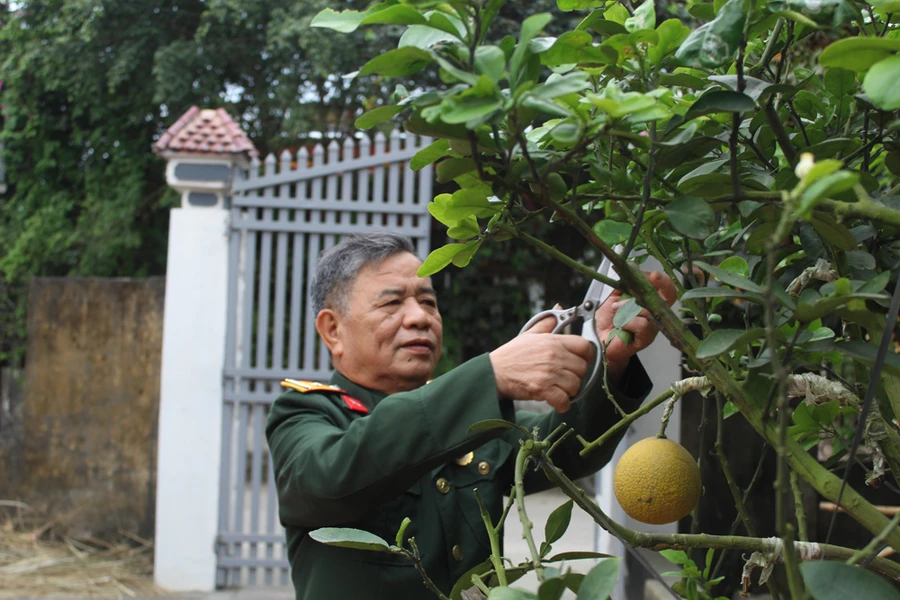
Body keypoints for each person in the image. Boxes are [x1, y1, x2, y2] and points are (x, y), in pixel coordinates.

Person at [266, 231, 676, 599]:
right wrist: (489, 377)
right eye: (392, 302)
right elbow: (330, 480)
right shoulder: (306, 412)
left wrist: (611, 359)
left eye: (428, 301)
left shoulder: (469, 416)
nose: (419, 317)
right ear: (332, 330)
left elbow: (565, 452)